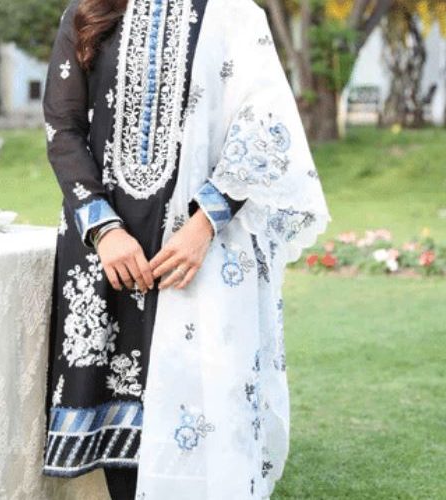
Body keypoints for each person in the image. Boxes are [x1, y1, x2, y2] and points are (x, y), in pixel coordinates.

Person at [41, 0, 331, 499]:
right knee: (122, 428)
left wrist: (203, 226)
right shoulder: (89, 11)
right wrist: (104, 230)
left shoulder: (233, 13)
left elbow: (263, 125)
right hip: (107, 254)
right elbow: (62, 129)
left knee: (205, 409)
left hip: (199, 253)